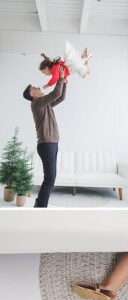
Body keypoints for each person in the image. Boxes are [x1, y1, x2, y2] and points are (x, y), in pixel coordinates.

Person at [23, 78, 67, 208]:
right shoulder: (36, 103)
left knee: (50, 179)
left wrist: (64, 83)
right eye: (34, 88)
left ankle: (39, 206)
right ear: (32, 94)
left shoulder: (44, 104)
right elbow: (55, 94)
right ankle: (40, 207)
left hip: (51, 144)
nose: (38, 88)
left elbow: (60, 97)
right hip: (47, 145)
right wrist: (60, 78)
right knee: (50, 179)